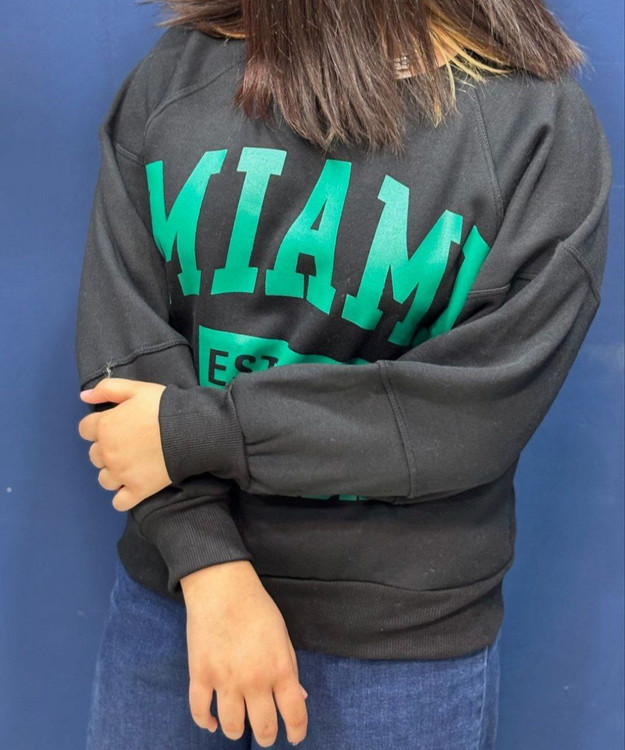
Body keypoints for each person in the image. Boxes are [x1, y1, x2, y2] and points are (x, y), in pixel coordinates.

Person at [74, 0, 613, 747]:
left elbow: (471, 413)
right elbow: (125, 353)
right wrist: (209, 568)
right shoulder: (177, 75)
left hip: (395, 652)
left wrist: (197, 431)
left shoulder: (538, 127)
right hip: (176, 609)